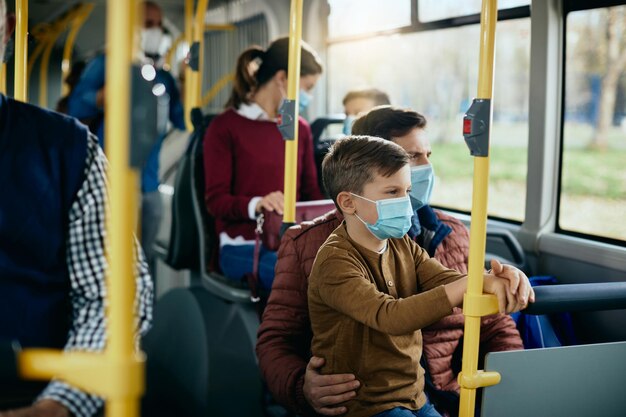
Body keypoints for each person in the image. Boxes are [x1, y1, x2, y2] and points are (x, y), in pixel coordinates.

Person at [256, 106, 524, 417]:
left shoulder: (437, 236)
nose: (425, 168)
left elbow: (483, 316)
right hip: (366, 399)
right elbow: (277, 339)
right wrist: (301, 386)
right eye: (413, 157)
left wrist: (488, 279)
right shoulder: (316, 249)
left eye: (428, 155)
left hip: (439, 391)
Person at [0, 2, 153, 417]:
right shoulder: (100, 70)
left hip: (34, 396)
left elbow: (113, 296)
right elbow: (87, 100)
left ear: (7, 30)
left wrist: (58, 405)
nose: (151, 31)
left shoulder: (68, 147)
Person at [67, 1, 184, 275]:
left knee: (146, 261)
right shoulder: (106, 63)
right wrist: (103, 95)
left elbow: (180, 120)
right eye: (148, 25)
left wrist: (185, 84)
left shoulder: (163, 76)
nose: (154, 31)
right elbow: (75, 107)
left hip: (150, 183)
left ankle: (145, 316)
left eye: (158, 26)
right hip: (112, 178)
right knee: (111, 258)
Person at [203, 37, 324, 290]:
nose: (308, 97)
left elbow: (310, 193)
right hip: (241, 244)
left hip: (291, 242)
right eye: (307, 87)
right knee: (296, 279)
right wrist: (257, 203)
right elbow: (216, 200)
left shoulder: (299, 129)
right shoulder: (225, 128)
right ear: (282, 79)